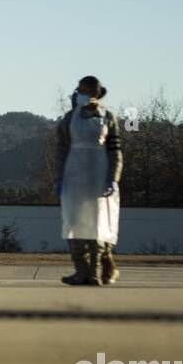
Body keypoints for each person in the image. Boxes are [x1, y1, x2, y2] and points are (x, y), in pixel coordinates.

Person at [55, 76, 123, 286]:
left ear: (95, 93)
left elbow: (115, 152)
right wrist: (59, 178)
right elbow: (61, 149)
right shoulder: (69, 118)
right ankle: (80, 270)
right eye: (78, 90)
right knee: (74, 223)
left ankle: (95, 270)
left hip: (98, 176)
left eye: (83, 90)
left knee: (97, 223)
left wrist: (113, 178)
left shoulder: (108, 118)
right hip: (74, 175)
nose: (79, 94)